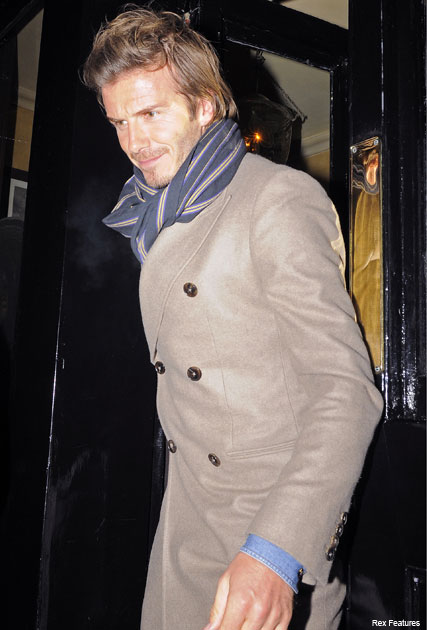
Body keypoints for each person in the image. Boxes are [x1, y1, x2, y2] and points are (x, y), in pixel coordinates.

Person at [83, 7, 383, 630]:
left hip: (268, 541)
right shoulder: (152, 216)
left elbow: (345, 391)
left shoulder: (275, 199)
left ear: (204, 106)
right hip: (186, 530)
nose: (134, 142)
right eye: (119, 122)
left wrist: (276, 553)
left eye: (151, 114)